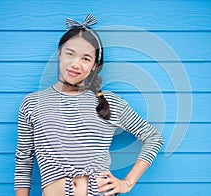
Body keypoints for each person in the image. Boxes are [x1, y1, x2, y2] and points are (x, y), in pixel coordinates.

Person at [14, 13, 164, 196]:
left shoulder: (110, 102)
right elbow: (24, 161)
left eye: (86, 58)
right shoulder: (33, 103)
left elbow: (153, 138)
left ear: (94, 65)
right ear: (60, 53)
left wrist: (127, 183)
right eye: (70, 54)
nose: (76, 64)